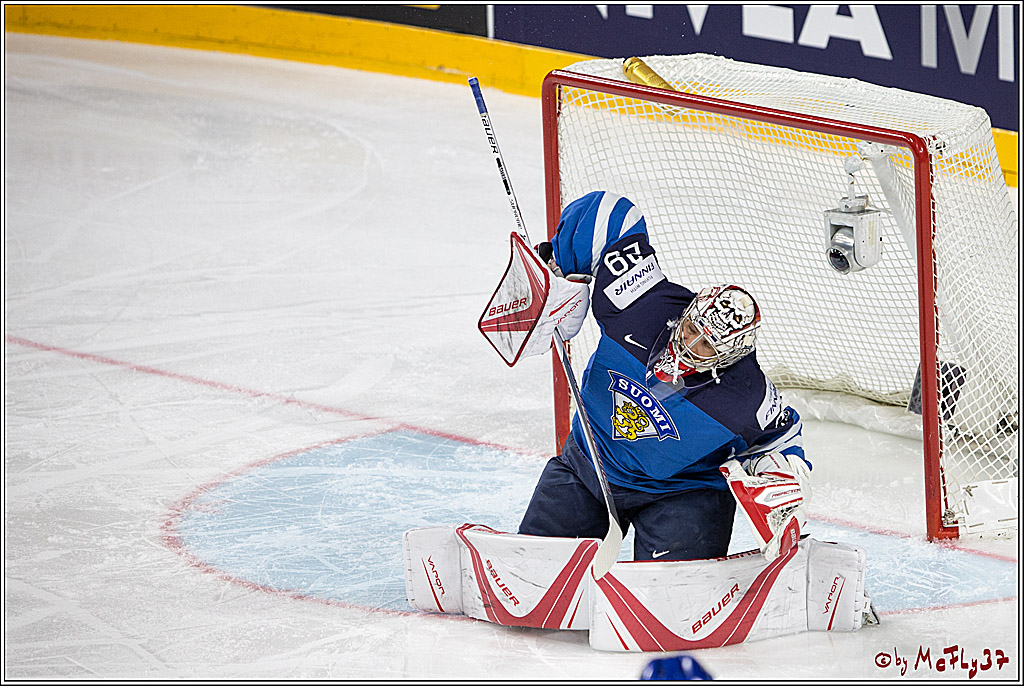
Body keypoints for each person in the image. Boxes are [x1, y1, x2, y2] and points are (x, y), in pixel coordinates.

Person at [518, 190, 810, 562]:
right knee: (532, 569)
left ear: (731, 356)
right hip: (590, 464)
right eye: (690, 329)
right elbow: (608, 214)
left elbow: (782, 441)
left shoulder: (747, 395)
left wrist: (780, 479)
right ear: (688, 311)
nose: (690, 344)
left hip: (682, 493)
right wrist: (559, 271)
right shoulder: (641, 302)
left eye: (707, 346)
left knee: (673, 606)